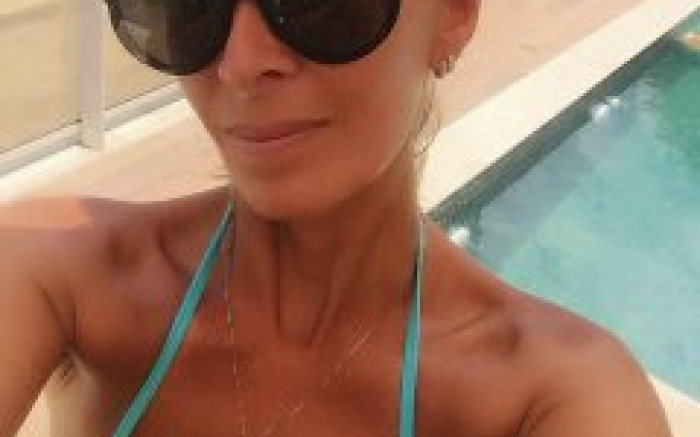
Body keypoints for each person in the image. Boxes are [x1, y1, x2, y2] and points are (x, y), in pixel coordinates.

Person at [0, 0, 673, 436]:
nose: (241, 64)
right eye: (191, 4)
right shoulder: (59, 269)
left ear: (453, 14)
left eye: (317, 3)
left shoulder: (556, 395)